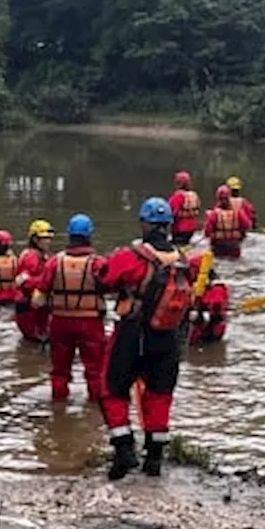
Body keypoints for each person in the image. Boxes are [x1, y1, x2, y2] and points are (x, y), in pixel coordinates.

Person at [97, 197, 196, 480]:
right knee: (159, 396)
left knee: (111, 390)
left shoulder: (131, 257)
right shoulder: (184, 261)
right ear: (168, 226)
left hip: (133, 334)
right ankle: (154, 460)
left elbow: (106, 281)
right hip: (168, 339)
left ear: (144, 224)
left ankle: (124, 450)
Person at [30, 214, 108, 402]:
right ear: (89, 236)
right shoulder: (99, 263)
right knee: (95, 370)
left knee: (60, 371)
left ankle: (58, 409)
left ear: (69, 236)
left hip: (60, 322)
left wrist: (40, 325)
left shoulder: (54, 262)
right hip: (91, 323)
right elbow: (112, 286)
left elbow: (38, 299)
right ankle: (95, 412)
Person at [13, 219, 54, 343]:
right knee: (37, 340)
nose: (48, 241)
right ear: (35, 239)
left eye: (49, 238)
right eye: (44, 238)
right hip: (28, 307)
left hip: (36, 306)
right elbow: (24, 282)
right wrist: (48, 282)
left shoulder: (41, 255)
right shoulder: (31, 257)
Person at [188, 254, 228, 346]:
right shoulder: (195, 286)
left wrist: (201, 313)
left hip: (207, 335)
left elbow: (217, 308)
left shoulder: (216, 289)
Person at [204, 184, 253, 258]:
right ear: (229, 197)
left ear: (218, 198)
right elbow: (248, 226)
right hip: (234, 246)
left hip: (218, 246)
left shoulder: (214, 214)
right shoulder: (238, 213)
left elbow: (207, 233)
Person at [168, 170, 202, 246]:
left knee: (176, 245)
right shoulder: (194, 195)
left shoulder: (178, 196)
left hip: (179, 231)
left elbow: (172, 213)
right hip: (191, 230)